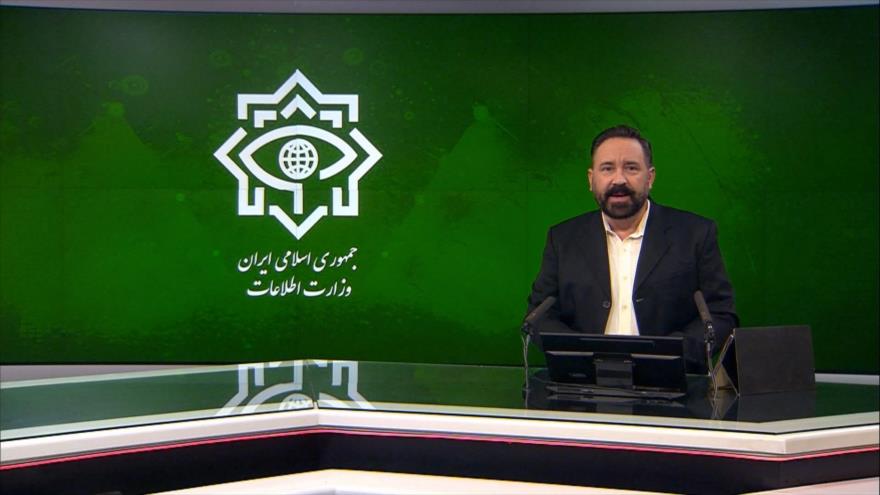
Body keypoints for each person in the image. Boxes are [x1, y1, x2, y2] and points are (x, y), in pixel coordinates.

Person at [526, 125, 738, 374]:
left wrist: (664, 356)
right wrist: (586, 356)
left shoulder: (695, 234)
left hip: (672, 383)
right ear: (591, 179)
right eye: (607, 168)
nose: (619, 180)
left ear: (650, 177)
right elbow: (539, 316)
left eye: (631, 168)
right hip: (583, 383)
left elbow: (720, 315)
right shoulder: (563, 239)